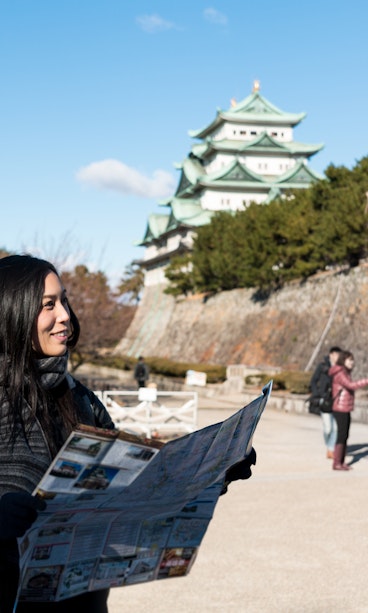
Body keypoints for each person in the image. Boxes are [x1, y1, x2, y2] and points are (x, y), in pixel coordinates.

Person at [0, 254, 115, 612]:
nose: (65, 314)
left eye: (63, 300)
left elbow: (127, 477)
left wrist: (211, 472)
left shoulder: (81, 399)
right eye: (48, 305)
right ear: (12, 313)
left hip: (82, 599)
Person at [329, 350, 368, 471]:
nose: (352, 362)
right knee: (342, 435)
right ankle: (337, 463)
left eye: (353, 360)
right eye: (350, 360)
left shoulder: (345, 372)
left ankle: (341, 461)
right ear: (343, 360)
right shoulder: (340, 373)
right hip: (340, 408)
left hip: (345, 407)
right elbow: (350, 385)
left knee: (344, 435)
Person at [310, 346, 341, 459]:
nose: (338, 357)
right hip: (325, 401)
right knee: (328, 428)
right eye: (337, 355)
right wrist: (317, 395)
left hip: (337, 402)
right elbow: (313, 381)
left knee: (336, 428)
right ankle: (329, 445)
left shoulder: (340, 368)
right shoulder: (322, 366)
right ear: (331, 355)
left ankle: (330, 449)